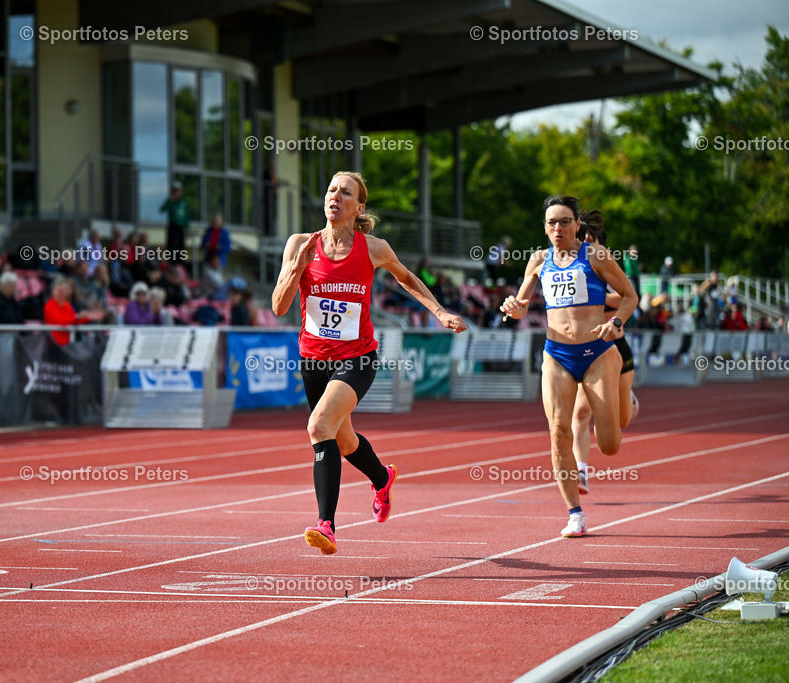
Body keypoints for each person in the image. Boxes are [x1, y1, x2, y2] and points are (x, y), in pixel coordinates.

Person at [271, 171, 467, 554]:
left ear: (358, 207)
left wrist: (440, 313)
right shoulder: (299, 244)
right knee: (342, 439)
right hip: (313, 361)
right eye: (330, 190)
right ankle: (382, 477)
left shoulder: (374, 248)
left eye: (345, 192)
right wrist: (297, 267)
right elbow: (279, 307)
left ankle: (325, 524)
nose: (335, 196)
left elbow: (407, 279)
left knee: (319, 425)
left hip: (357, 357)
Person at [500, 195, 636, 538]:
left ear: (577, 225)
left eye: (564, 221)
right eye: (551, 223)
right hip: (556, 355)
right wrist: (513, 308)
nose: (557, 228)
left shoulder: (596, 256)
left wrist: (616, 323)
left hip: (598, 353)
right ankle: (575, 514)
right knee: (559, 430)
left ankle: (626, 400)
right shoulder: (538, 259)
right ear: (544, 228)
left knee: (610, 445)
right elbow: (520, 305)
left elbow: (630, 296)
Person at [570, 223, 639, 497]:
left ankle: (628, 399)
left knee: (617, 423)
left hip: (616, 351)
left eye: (589, 241)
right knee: (580, 413)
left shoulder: (605, 263)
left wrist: (599, 302)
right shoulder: (568, 266)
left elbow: (629, 297)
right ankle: (582, 472)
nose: (582, 246)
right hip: (584, 351)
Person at [43, 277, 104, 345]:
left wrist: (86, 316)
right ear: (53, 291)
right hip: (55, 343)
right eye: (59, 290)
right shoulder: (50, 304)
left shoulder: (66, 304)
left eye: (64, 290)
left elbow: (74, 320)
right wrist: (77, 316)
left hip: (68, 343)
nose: (62, 293)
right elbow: (61, 321)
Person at [159, 182, 189, 261]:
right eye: (174, 191)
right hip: (173, 226)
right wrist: (170, 200)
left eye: (178, 190)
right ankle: (172, 262)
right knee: (172, 246)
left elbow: (186, 215)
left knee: (181, 247)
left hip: (181, 226)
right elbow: (162, 209)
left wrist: (188, 228)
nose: (176, 192)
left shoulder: (184, 201)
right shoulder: (171, 201)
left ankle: (180, 263)